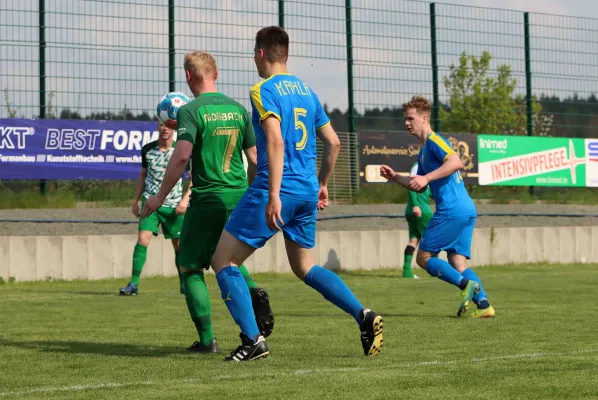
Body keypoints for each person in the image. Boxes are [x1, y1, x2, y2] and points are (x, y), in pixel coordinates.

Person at [208, 26, 384, 362]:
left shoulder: (262, 89)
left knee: (223, 261)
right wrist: (321, 183)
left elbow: (274, 140)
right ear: (285, 54)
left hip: (276, 189)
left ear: (261, 54)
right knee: (305, 267)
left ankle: (253, 340)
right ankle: (362, 315)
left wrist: (273, 192)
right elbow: (333, 143)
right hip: (305, 191)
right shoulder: (307, 91)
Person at [141, 51, 275, 353]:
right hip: (241, 196)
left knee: (189, 267)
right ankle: (253, 292)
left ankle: (206, 341)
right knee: (228, 259)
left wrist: (159, 196)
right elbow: (256, 158)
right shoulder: (239, 109)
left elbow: (182, 156)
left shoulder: (190, 110)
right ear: (217, 73)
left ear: (188, 76)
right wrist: (266, 195)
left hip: (208, 199)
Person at [380, 95, 495, 318]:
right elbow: (419, 186)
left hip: (451, 210)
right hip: (466, 210)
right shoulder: (424, 153)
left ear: (424, 119)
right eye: (405, 119)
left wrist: (427, 178)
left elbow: (456, 162)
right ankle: (484, 306)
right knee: (457, 261)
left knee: (423, 258)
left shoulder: (435, 141)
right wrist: (395, 177)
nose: (406, 123)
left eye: (410, 118)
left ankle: (465, 286)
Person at [120, 120, 190, 296]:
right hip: (150, 203)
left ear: (175, 128)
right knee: (143, 239)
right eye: (161, 125)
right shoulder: (148, 150)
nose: (164, 129)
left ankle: (184, 284)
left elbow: (194, 179)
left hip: (174, 205)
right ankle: (133, 284)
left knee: (178, 245)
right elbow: (143, 175)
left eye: (169, 125)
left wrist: (185, 200)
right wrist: (135, 200)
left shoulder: (181, 151)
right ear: (158, 127)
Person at [402, 161, 433, 279]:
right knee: (432, 239)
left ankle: (406, 271)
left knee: (413, 240)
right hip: (421, 210)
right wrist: (416, 205)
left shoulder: (425, 168)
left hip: (410, 210)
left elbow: (429, 192)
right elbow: (411, 186)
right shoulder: (419, 166)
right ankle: (436, 271)